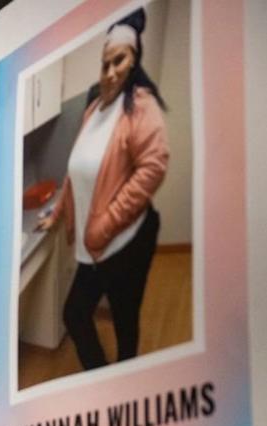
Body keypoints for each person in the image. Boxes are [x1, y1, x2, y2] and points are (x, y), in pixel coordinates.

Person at [38, 8, 170, 370]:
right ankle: (100, 378)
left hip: (126, 241)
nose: (111, 71)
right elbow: (75, 171)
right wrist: (58, 213)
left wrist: (103, 225)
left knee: (125, 322)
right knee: (77, 315)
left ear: (134, 59)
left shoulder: (142, 108)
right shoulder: (94, 108)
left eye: (120, 60)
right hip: (94, 243)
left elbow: (152, 167)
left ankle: (123, 389)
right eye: (105, 62)